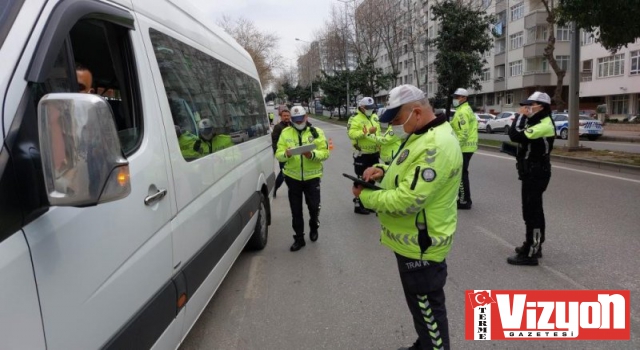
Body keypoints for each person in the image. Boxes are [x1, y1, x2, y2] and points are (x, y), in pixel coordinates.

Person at [352, 85, 462, 350]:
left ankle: (432, 345)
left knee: (428, 309)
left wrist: (364, 196)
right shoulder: (422, 135)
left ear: (416, 111)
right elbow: (404, 168)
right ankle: (424, 342)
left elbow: (408, 200)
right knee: (421, 308)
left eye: (398, 119)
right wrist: (381, 170)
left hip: (422, 245)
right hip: (412, 241)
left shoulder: (435, 145)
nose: (397, 125)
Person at [507, 91, 555, 266]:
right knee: (530, 210)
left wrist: (520, 116)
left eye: (530, 105)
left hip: (537, 173)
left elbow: (515, 135)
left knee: (533, 212)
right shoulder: (537, 121)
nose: (527, 108)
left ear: (541, 107)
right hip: (530, 172)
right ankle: (533, 243)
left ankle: (531, 253)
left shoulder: (544, 125)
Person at [275, 106, 330, 251]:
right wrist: (286, 154)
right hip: (293, 178)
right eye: (295, 120)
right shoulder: (285, 133)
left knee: (313, 207)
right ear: (291, 120)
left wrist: (311, 155)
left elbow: (325, 153)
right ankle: (299, 238)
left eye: (301, 119)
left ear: (306, 117)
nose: (299, 122)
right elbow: (278, 154)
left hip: (312, 177)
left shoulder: (316, 132)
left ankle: (314, 225)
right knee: (296, 210)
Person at [347, 96, 381, 214]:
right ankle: (358, 204)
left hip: (374, 153)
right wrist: (365, 132)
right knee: (362, 179)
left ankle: (368, 203)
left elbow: (379, 132)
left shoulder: (375, 117)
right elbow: (351, 134)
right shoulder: (354, 118)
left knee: (371, 179)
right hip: (362, 154)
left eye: (372, 108)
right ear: (362, 107)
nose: (370, 110)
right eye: (368, 108)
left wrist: (380, 145)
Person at [449, 88, 478, 210]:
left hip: (464, 147)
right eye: (455, 96)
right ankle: (464, 199)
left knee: (461, 175)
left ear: (464, 98)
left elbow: (464, 132)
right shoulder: (465, 109)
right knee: (463, 174)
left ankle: (464, 201)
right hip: (468, 146)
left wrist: (456, 146)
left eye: (458, 97)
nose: (455, 99)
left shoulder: (462, 112)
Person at [271, 108, 291, 197]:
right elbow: (274, 140)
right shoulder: (278, 127)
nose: (286, 117)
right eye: (284, 116)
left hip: (292, 153)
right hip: (283, 154)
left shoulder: (292, 125)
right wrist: (276, 152)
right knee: (284, 173)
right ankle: (275, 188)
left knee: (292, 172)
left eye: (288, 116)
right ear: (281, 117)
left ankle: (293, 189)